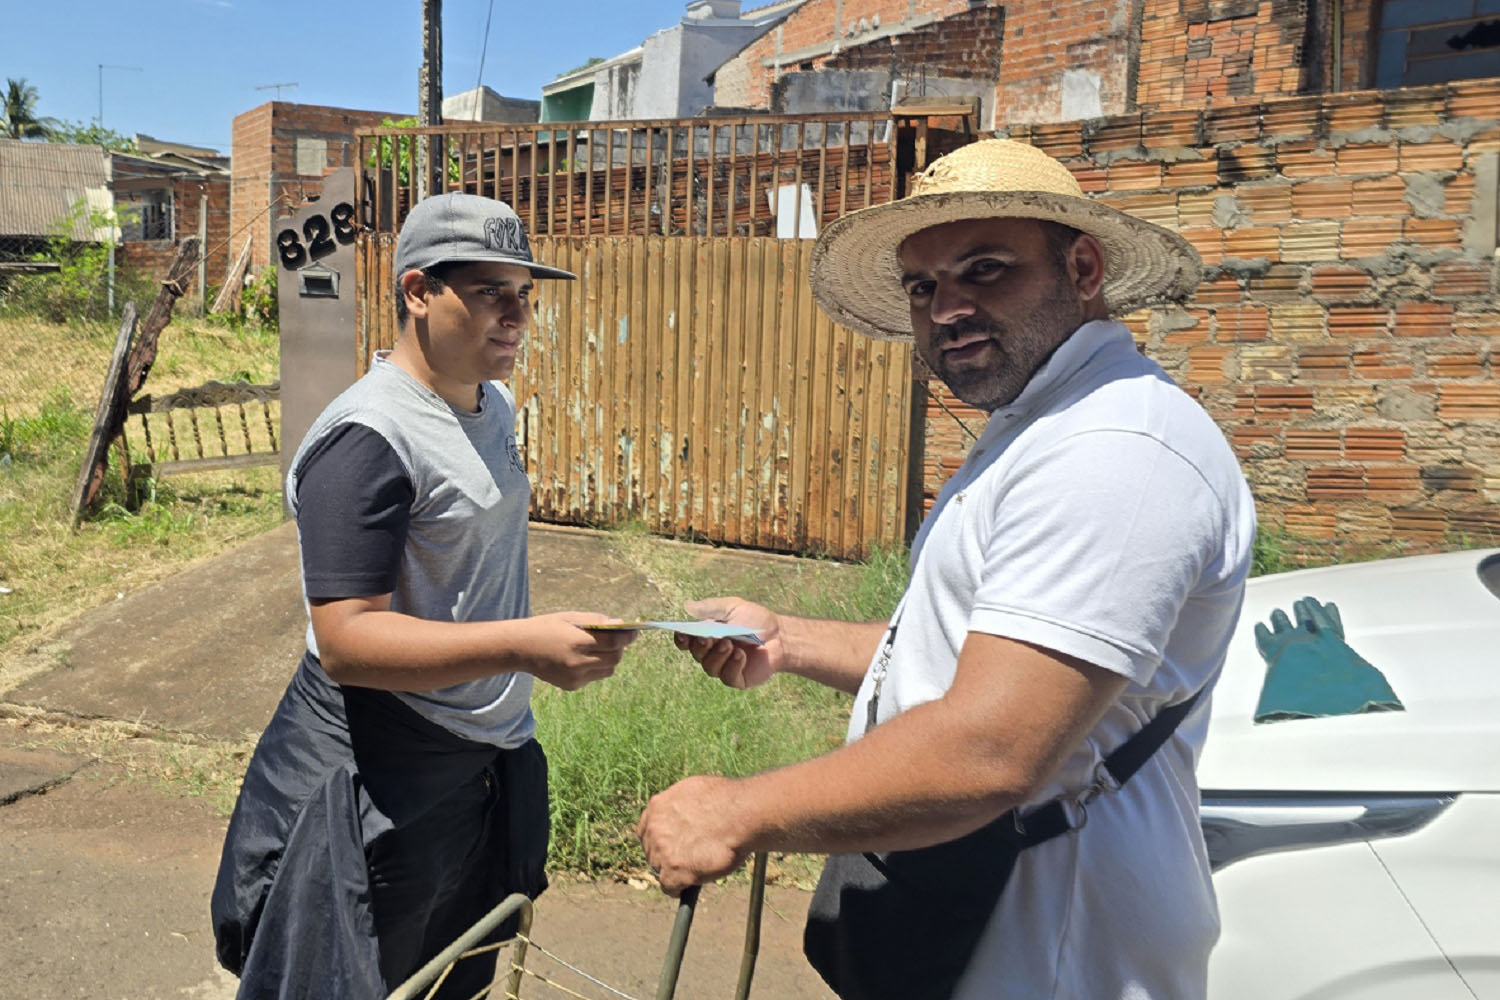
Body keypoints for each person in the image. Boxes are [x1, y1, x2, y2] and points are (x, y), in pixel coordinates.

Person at [637, 139, 1256, 1000]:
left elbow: (990, 746)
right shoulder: (1044, 422)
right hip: (978, 916)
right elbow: (975, 656)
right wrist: (789, 640)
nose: (947, 308)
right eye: (923, 287)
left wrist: (737, 811)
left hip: (1048, 949)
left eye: (985, 269)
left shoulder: (1115, 450)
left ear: (1082, 267)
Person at [212, 191, 637, 999]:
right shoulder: (368, 439)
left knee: (454, 966)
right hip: (383, 761)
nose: (515, 316)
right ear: (417, 291)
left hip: (479, 753)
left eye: (525, 295)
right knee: (363, 978)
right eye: (488, 292)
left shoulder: (488, 400)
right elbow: (346, 641)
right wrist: (525, 644)